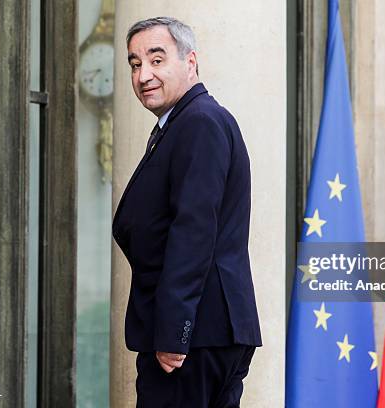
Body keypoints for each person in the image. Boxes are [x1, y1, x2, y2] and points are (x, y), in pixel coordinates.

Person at [112, 17, 262, 407]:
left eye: (156, 60)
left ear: (190, 62)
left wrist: (173, 335)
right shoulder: (182, 123)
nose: (143, 74)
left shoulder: (198, 122)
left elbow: (193, 232)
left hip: (194, 339)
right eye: (134, 63)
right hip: (205, 333)